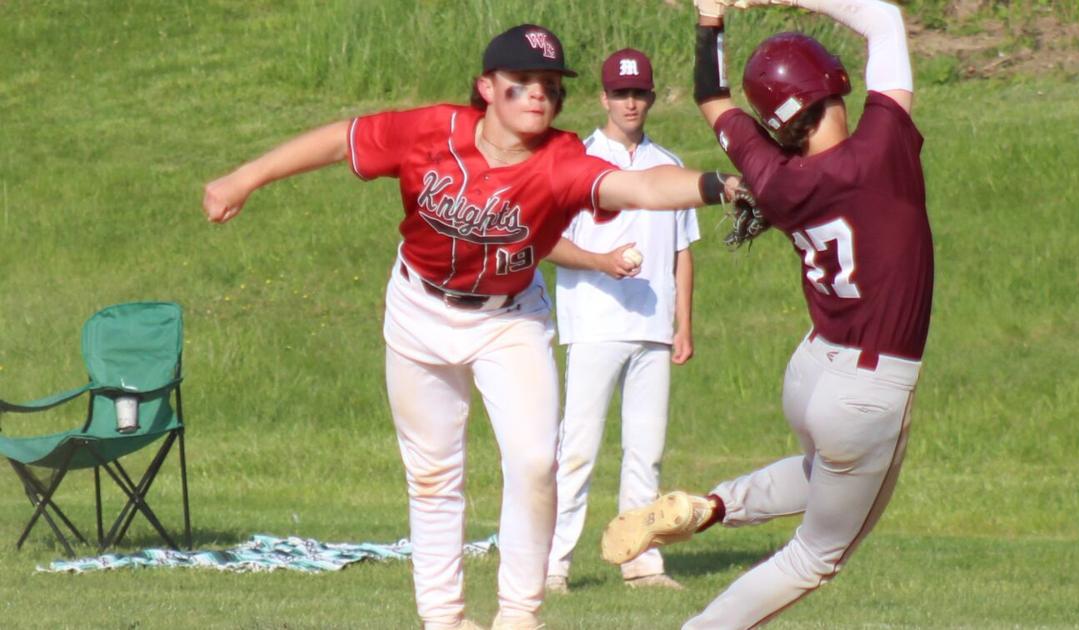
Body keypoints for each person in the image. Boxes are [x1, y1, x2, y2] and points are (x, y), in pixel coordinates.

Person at [201, 23, 736, 630]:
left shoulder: (561, 161)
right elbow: (339, 141)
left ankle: (518, 615)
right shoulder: (432, 131)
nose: (538, 94)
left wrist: (720, 185)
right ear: (486, 87)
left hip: (508, 320)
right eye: (521, 82)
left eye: (550, 85)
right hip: (418, 310)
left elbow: (639, 185)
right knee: (432, 474)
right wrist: (245, 177)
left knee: (536, 463)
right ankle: (445, 620)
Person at [599, 1, 934, 628]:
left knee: (823, 474)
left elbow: (710, 94)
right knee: (814, 557)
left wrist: (710, 18)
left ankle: (716, 505)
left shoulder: (773, 174)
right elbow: (883, 18)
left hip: (813, 371)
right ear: (833, 81)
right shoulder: (880, 150)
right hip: (867, 388)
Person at [541, 48, 700, 594]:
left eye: (640, 93)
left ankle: (640, 562)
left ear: (651, 98)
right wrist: (601, 262)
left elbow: (682, 251)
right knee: (578, 451)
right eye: (621, 93)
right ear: (603, 97)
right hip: (594, 324)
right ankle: (552, 566)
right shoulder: (577, 160)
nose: (631, 102)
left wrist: (683, 323)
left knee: (645, 452)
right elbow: (546, 241)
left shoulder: (671, 164)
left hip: (654, 329)